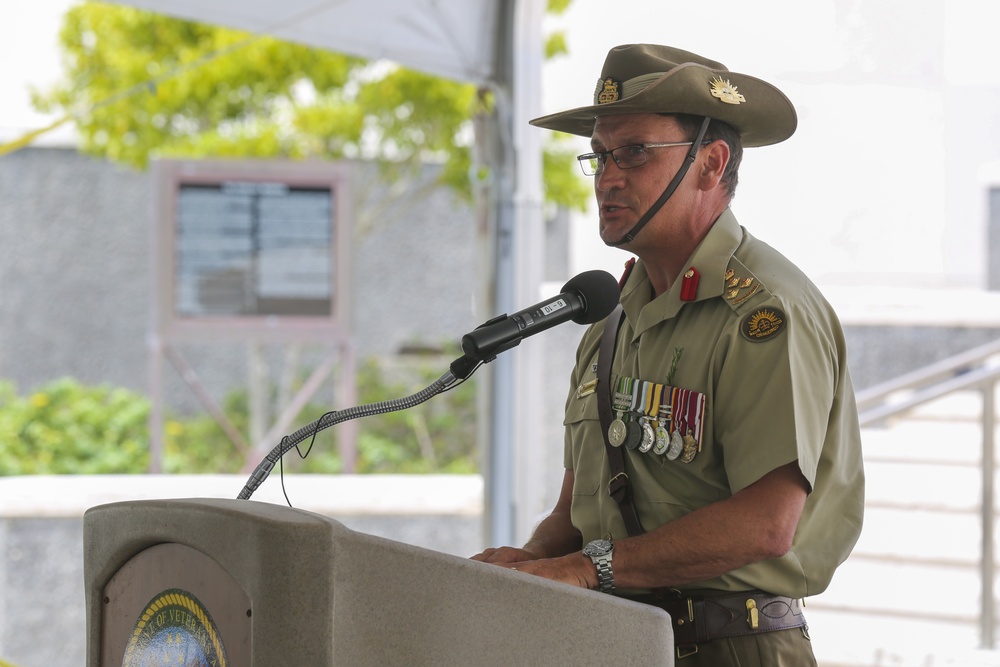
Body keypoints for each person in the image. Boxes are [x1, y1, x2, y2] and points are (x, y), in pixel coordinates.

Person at [471, 43, 864, 665]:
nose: (608, 177)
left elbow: (766, 523)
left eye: (634, 154)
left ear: (711, 164)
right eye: (598, 156)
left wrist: (580, 570)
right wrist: (527, 564)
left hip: (733, 644)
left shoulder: (762, 314)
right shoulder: (608, 322)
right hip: (617, 640)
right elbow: (578, 514)